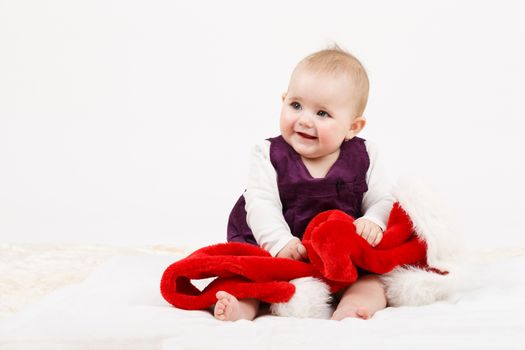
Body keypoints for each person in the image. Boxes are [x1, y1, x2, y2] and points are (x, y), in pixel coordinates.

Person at [215, 45, 394, 321]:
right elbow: (261, 203)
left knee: (375, 280)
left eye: (322, 113)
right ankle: (244, 307)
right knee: (251, 275)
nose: (304, 120)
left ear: (353, 127)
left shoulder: (365, 155)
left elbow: (383, 198)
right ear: (283, 100)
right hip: (278, 248)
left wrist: (374, 221)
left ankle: (353, 305)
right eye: (296, 105)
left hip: (338, 256)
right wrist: (278, 241)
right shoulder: (268, 154)